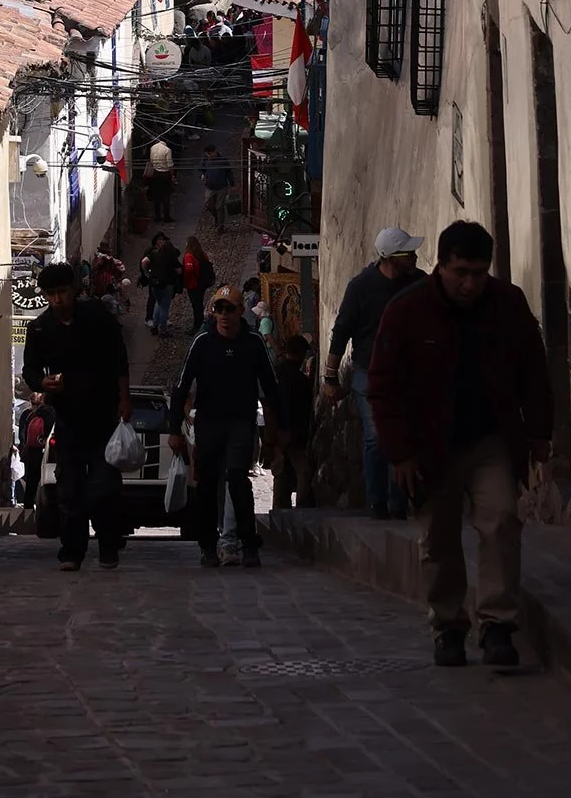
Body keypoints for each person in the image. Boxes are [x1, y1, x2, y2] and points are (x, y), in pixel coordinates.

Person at [366, 218, 553, 672]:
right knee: (439, 538)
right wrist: (400, 453)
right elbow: (384, 388)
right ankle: (448, 624)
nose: (470, 283)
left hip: (491, 439)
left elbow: (534, 369)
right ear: (441, 267)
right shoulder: (407, 311)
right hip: (431, 448)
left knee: (501, 522)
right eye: (461, 272)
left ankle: (498, 625)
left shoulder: (508, 304)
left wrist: (539, 432)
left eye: (479, 273)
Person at [21, 260, 132, 570]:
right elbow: (30, 369)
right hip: (68, 417)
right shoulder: (40, 328)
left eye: (62, 292)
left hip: (103, 413)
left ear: (73, 290)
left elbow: (119, 358)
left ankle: (108, 546)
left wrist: (124, 398)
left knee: (104, 485)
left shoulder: (96, 315)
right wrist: (42, 382)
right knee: (69, 487)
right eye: (51, 294)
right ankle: (72, 551)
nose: (58, 299)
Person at [169, 285, 286, 568]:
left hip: (240, 422)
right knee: (208, 483)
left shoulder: (253, 342)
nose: (223, 315)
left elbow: (271, 389)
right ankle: (208, 545)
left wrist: (275, 434)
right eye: (218, 309)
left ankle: (248, 544)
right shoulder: (202, 342)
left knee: (237, 476)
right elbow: (182, 385)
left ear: (240, 311)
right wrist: (174, 429)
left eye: (229, 309)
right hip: (209, 422)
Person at [321, 224, 424, 518]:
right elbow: (341, 332)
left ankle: (398, 503)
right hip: (369, 373)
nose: (414, 256)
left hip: (408, 373)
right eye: (407, 253)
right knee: (377, 436)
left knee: (403, 435)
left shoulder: (419, 284)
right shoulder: (361, 287)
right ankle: (378, 501)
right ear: (390, 257)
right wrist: (330, 376)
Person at [271, 334, 317, 509]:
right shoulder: (300, 380)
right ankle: (300, 510)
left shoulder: (275, 373)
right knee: (303, 472)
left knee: (281, 475)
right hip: (293, 434)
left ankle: (278, 512)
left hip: (277, 432)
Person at [140, 233, 183, 335]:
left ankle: (154, 326)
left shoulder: (154, 254)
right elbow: (179, 271)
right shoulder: (172, 258)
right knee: (164, 307)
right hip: (167, 284)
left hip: (155, 284)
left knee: (158, 304)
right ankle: (162, 330)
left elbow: (144, 262)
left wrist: (147, 274)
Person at [19, 388, 51, 507]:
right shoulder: (51, 414)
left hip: (32, 452)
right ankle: (46, 504)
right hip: (46, 451)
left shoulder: (31, 415)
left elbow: (24, 434)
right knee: (48, 480)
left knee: (31, 480)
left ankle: (28, 505)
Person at [181, 235, 217, 333]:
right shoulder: (202, 254)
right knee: (199, 304)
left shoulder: (189, 255)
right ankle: (200, 323)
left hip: (193, 284)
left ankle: (197, 326)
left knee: (196, 305)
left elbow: (189, 269)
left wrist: (185, 279)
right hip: (202, 283)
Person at [143, 133, 176, 221]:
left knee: (156, 195)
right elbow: (170, 165)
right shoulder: (167, 150)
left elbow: (151, 161)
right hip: (165, 174)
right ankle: (166, 216)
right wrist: (173, 176)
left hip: (155, 173)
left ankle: (157, 216)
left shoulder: (153, 147)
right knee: (166, 196)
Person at [201, 144, 234, 232]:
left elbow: (229, 172)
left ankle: (220, 226)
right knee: (208, 205)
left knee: (220, 207)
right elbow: (201, 169)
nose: (209, 156)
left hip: (221, 187)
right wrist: (202, 175)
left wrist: (232, 183)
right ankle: (217, 218)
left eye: (210, 154)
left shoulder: (223, 160)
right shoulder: (205, 159)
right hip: (210, 187)